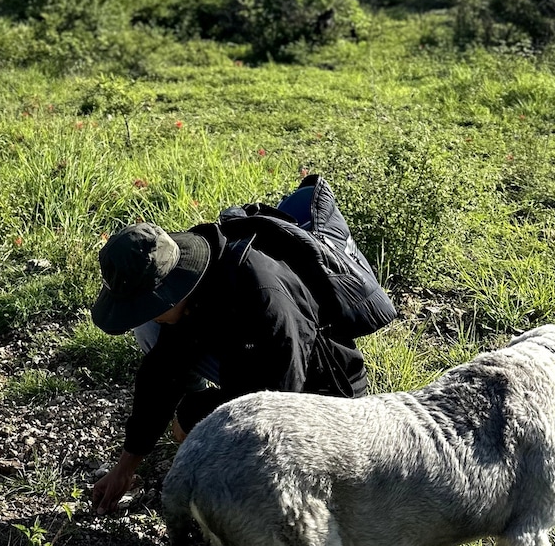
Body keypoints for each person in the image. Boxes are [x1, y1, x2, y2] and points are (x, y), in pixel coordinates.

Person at [89, 217, 368, 513]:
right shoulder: (194, 288)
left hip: (324, 397)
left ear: (172, 285)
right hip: (254, 366)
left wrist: (199, 420)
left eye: (147, 304)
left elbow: (278, 405)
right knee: (152, 334)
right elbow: (161, 374)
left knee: (197, 422)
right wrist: (125, 467)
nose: (145, 312)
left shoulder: (262, 296)